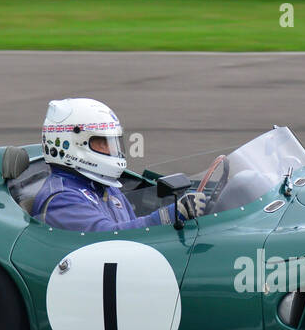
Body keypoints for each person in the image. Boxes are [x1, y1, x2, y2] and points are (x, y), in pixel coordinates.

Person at [32, 98, 206, 231]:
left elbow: (130, 227)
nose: (111, 150)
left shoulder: (103, 186)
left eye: (113, 143)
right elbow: (110, 238)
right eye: (102, 143)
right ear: (69, 143)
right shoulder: (62, 199)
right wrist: (167, 216)